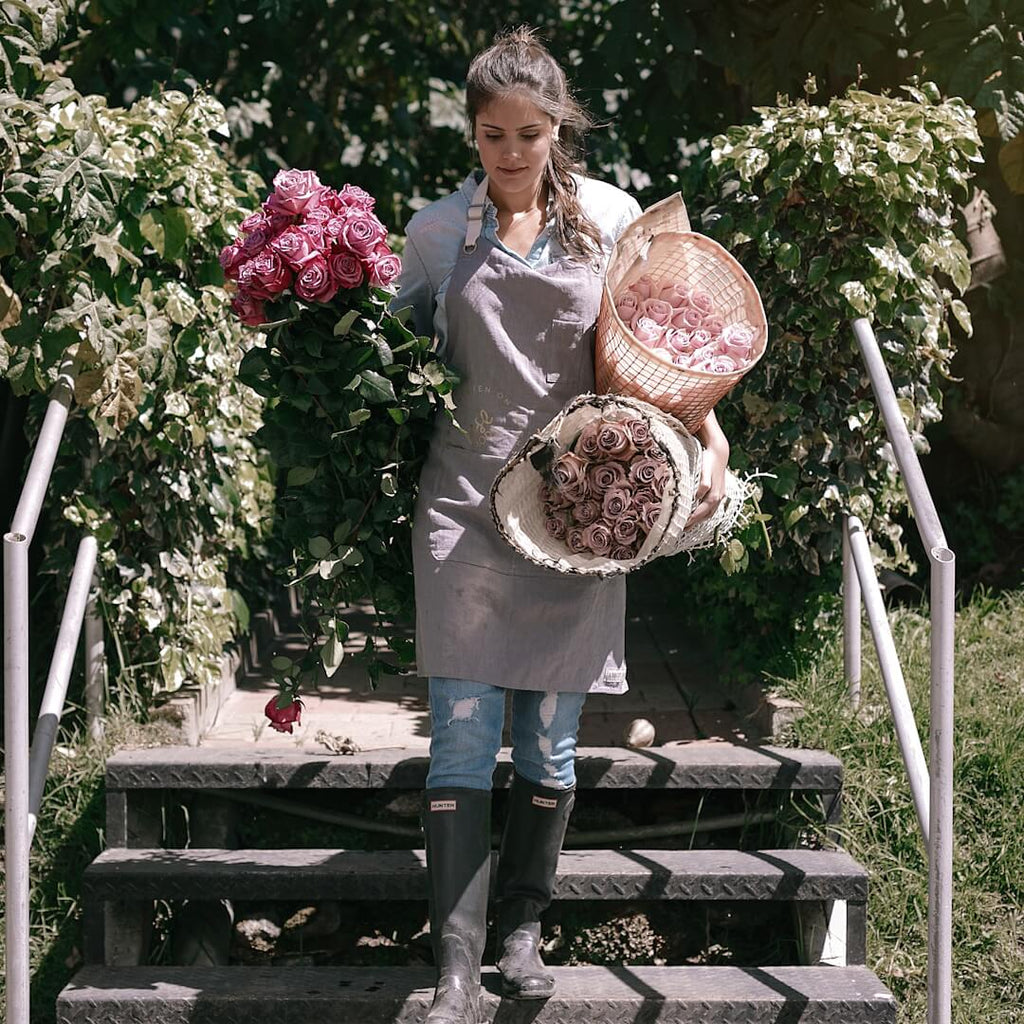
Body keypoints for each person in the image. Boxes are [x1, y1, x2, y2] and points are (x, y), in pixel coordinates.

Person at [392, 26, 729, 1024]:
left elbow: (660, 346)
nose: (509, 154)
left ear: (559, 129)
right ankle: (453, 969)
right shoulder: (431, 233)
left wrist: (710, 444)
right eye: (491, 134)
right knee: (460, 733)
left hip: (579, 504)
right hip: (459, 499)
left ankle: (522, 933)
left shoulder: (614, 224)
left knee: (549, 741)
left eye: (529, 134)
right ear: (471, 131)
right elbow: (392, 365)